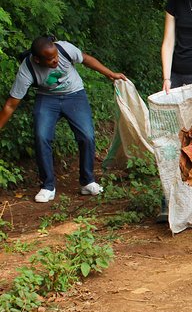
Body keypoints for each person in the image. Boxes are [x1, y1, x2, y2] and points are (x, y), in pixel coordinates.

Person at [0, 36, 127, 202]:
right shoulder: (27, 69)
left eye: (56, 56)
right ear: (37, 60)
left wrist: (110, 74)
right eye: (50, 59)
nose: (55, 60)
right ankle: (47, 186)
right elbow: (10, 104)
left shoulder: (65, 48)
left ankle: (87, 182)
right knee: (41, 137)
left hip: (75, 95)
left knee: (87, 136)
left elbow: (86, 59)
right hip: (47, 99)